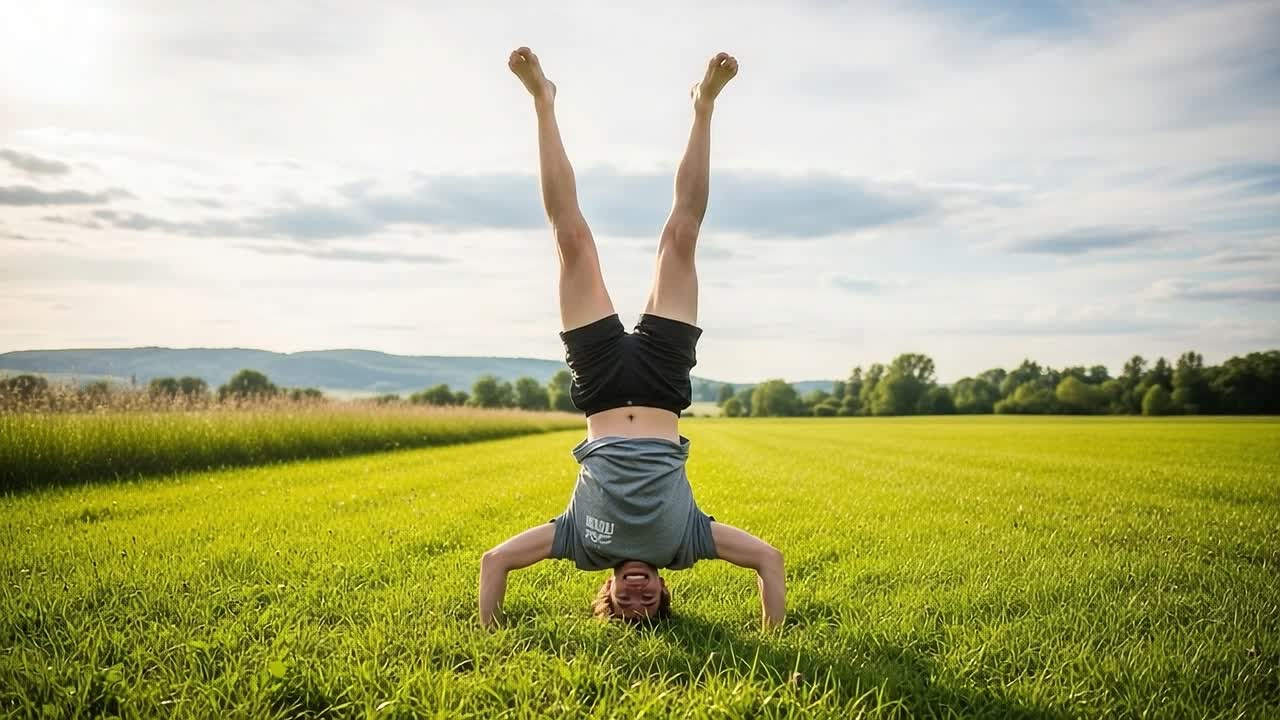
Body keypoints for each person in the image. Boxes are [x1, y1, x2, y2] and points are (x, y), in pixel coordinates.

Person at [478, 47, 785, 630]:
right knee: (682, 237)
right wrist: (774, 640)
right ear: (666, 589)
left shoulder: (580, 545)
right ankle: (705, 107)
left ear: (608, 592)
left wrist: (492, 635)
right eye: (650, 603)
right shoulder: (686, 543)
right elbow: (769, 561)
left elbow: (496, 562)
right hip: (664, 385)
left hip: (598, 388)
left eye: (626, 604)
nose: (637, 595)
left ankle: (543, 101)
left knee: (571, 241)